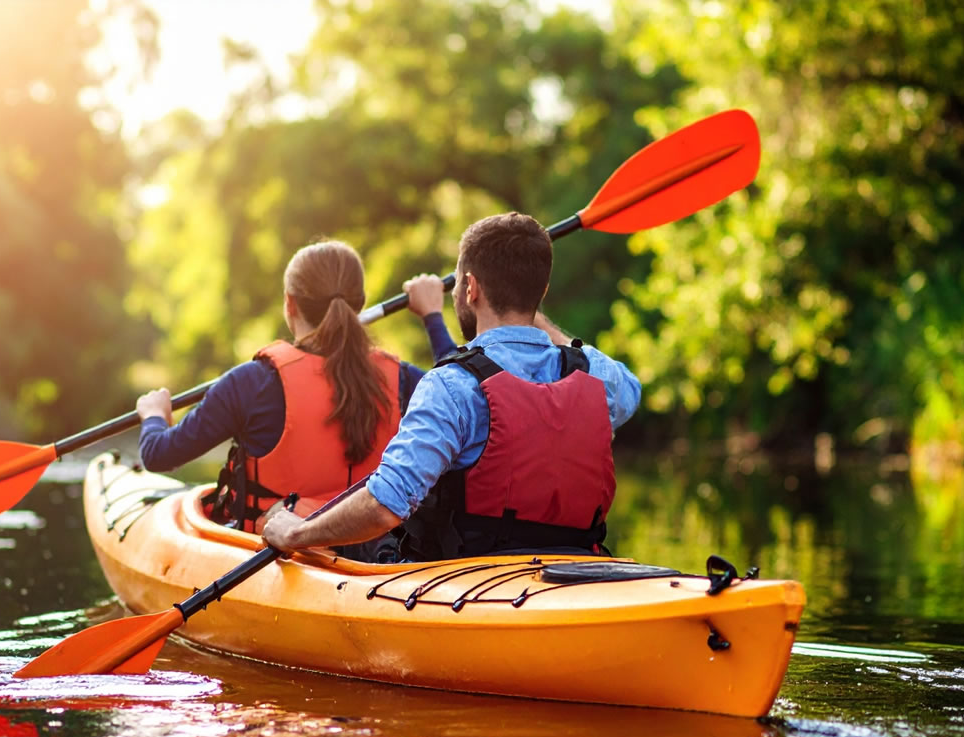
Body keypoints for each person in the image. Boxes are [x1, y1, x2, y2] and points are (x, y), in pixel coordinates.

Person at [262, 212, 642, 560]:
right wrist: (528, 305)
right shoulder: (592, 374)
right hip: (573, 570)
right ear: (541, 293)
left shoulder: (452, 385)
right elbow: (631, 392)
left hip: (465, 583)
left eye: (460, 283)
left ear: (471, 288)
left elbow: (384, 506)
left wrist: (298, 534)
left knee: (372, 540)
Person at [134, 239, 457, 532]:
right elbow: (461, 394)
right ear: (359, 302)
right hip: (377, 554)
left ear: (290, 304)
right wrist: (432, 316)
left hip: (283, 549)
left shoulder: (252, 382)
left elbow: (159, 455)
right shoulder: (403, 379)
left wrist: (153, 416)